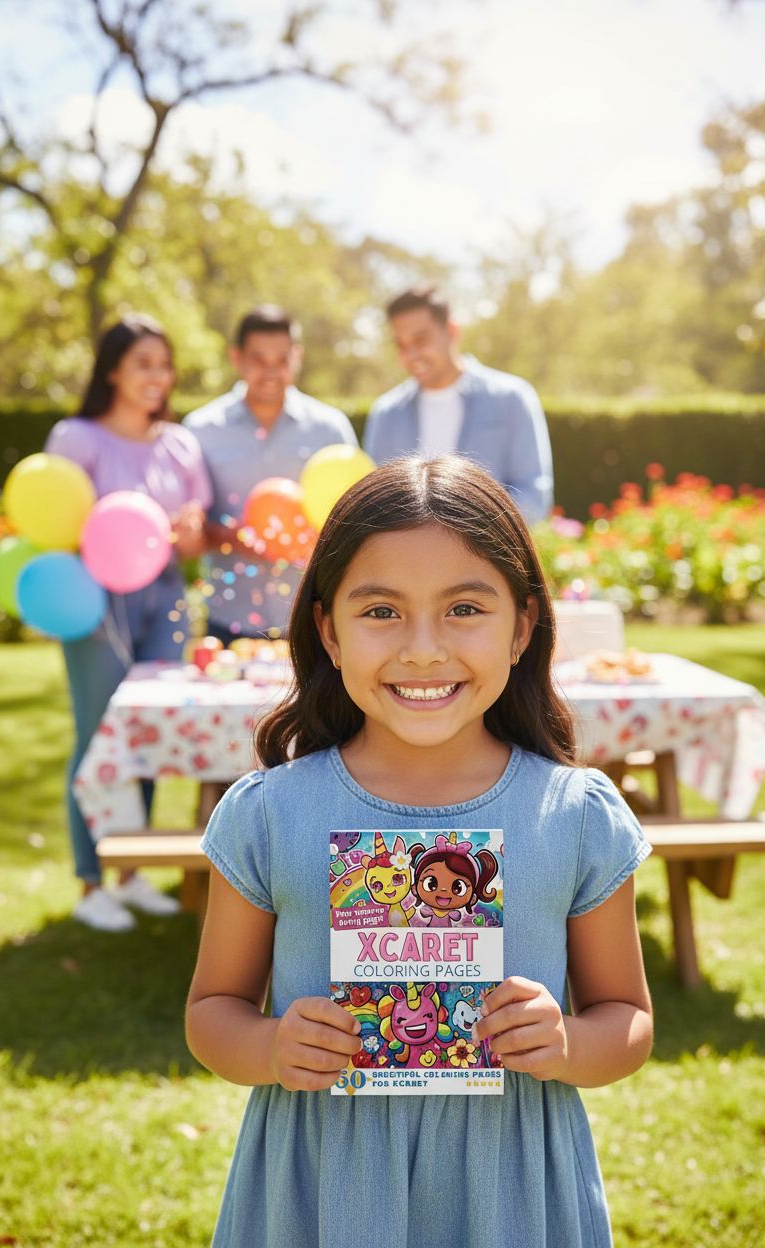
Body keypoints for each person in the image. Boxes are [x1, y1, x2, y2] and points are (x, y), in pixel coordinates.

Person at [186, 455, 653, 1248]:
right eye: (382, 613)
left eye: (465, 607)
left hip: (509, 1189)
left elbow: (629, 1018)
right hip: (321, 1186)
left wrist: (569, 1042)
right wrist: (270, 1045)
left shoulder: (574, 815)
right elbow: (210, 1014)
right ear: (329, 630)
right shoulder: (270, 815)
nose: (424, 650)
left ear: (523, 627)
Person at [46, 314, 213, 932]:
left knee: (145, 733)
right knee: (98, 734)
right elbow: (61, 525)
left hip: (165, 597)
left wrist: (192, 534)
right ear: (112, 369)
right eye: (142, 363)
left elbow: (192, 538)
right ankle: (91, 880)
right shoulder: (77, 438)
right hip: (96, 602)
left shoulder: (179, 443)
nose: (156, 376)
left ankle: (130, 871)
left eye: (163, 365)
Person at [183, 305, 357, 641]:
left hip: (311, 616)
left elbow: (354, 518)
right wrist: (238, 538)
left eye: (282, 360)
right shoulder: (200, 429)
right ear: (237, 358)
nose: (271, 372)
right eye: (258, 360)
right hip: (228, 617)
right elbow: (191, 524)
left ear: (298, 357)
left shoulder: (330, 429)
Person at [365, 285, 554, 522]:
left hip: (487, 556)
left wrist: (469, 535)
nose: (411, 355)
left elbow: (534, 496)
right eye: (401, 345)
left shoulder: (511, 398)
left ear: (452, 331)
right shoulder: (385, 413)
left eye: (421, 340)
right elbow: (373, 504)